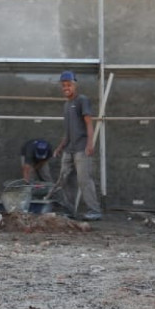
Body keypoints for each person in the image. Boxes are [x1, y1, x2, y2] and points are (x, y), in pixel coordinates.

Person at [53, 71, 102, 221]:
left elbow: (89, 122)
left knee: (84, 180)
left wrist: (90, 143)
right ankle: (70, 211)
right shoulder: (66, 105)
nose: (66, 88)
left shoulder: (82, 100)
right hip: (69, 149)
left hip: (82, 148)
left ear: (75, 85)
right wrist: (60, 147)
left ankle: (94, 211)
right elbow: (68, 131)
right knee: (65, 179)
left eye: (69, 85)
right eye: (64, 85)